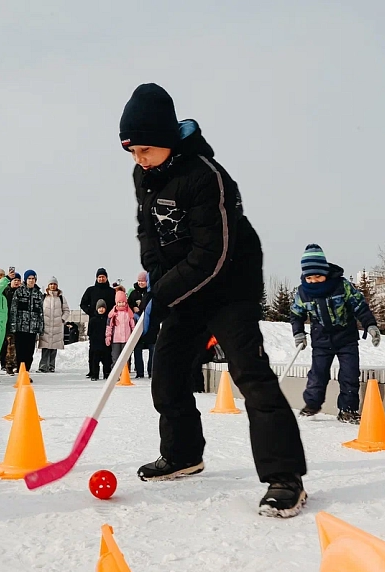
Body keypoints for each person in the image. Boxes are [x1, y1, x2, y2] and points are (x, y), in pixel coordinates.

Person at [121, 82, 307, 516]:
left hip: (229, 287)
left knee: (250, 374)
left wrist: (165, 292)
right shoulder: (143, 174)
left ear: (167, 140)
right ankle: (184, 454)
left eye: (145, 150)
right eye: (131, 152)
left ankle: (285, 478)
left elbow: (213, 254)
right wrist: (156, 276)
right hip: (184, 283)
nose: (138, 160)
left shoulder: (207, 176)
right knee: (167, 370)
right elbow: (148, 231)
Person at [290, 244, 382, 424]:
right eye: (309, 277)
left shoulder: (341, 286)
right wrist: (299, 333)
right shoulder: (303, 293)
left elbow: (359, 306)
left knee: (349, 374)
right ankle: (312, 404)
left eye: (318, 276)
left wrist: (370, 325)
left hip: (346, 338)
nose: (314, 280)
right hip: (321, 339)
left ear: (325, 271)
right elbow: (296, 314)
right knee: (318, 374)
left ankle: (347, 410)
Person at [10, 270, 44, 378]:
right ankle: (21, 372)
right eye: (29, 278)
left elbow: (41, 312)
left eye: (33, 278)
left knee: (30, 352)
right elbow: (14, 309)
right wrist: (13, 325)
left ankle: (26, 372)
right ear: (25, 280)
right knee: (20, 351)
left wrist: (41, 327)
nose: (31, 280)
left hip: (32, 328)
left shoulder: (38, 294)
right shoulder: (19, 292)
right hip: (21, 327)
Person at [128, 271, 157, 378]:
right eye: (139, 281)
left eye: (143, 281)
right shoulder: (134, 293)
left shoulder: (151, 293)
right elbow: (128, 305)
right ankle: (139, 372)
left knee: (152, 350)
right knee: (137, 350)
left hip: (151, 326)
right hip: (137, 327)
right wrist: (133, 309)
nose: (141, 283)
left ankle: (151, 371)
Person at [38, 276, 70, 373]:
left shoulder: (61, 298)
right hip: (46, 325)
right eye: (51, 284)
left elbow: (66, 311)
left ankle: (51, 366)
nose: (53, 286)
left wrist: (62, 319)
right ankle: (43, 366)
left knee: (53, 348)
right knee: (45, 347)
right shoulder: (43, 297)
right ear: (48, 285)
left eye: (54, 284)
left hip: (57, 326)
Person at [0, 275, 23, 375]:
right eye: (14, 280)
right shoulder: (5, 291)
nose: (16, 282)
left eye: (18, 280)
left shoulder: (21, 292)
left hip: (16, 323)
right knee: (2, 345)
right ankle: (1, 364)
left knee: (12, 346)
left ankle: (11, 365)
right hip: (5, 321)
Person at [106, 288, 136, 366]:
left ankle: (125, 373)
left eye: (123, 302)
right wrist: (108, 336)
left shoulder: (129, 313)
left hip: (127, 339)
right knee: (115, 357)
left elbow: (133, 326)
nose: (121, 304)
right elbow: (109, 326)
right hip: (116, 339)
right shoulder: (113, 314)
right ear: (116, 303)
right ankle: (115, 373)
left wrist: (134, 336)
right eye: (119, 302)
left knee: (126, 357)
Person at [88, 299, 112, 380]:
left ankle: (107, 374)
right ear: (96, 309)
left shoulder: (108, 319)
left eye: (103, 308)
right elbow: (89, 332)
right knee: (95, 361)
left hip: (105, 343)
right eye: (99, 308)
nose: (101, 309)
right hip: (95, 344)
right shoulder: (92, 320)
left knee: (107, 360)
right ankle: (95, 375)